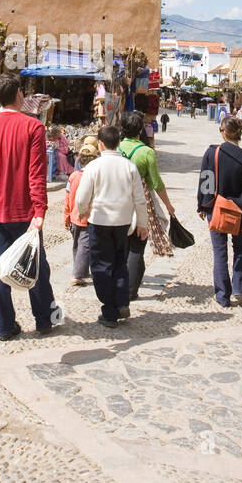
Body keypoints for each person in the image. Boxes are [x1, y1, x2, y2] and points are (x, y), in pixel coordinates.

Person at [0, 72, 58, 341]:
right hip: (26, 213)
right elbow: (36, 174)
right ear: (19, 95)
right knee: (36, 267)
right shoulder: (33, 128)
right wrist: (39, 211)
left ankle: (4, 327)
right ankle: (44, 320)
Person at [75, 125, 149, 327]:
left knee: (100, 266)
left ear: (100, 144)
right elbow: (139, 199)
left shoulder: (93, 167)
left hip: (99, 222)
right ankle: (122, 301)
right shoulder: (129, 167)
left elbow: (82, 197)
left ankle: (109, 311)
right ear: (118, 142)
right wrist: (143, 224)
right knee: (119, 263)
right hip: (123, 223)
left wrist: (81, 210)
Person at [197, 115, 242, 309]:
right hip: (238, 212)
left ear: (223, 132)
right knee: (240, 249)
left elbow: (206, 180)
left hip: (215, 208)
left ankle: (223, 295)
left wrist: (202, 205)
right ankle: (240, 287)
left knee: (219, 251)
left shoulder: (212, 152)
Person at [117, 111, 175, 300]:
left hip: (116, 201)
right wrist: (168, 205)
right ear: (140, 129)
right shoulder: (146, 151)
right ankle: (130, 291)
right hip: (140, 203)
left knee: (122, 245)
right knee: (137, 245)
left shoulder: (115, 147)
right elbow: (156, 183)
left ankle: (119, 284)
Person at [64, 136, 100, 286]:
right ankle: (77, 274)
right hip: (87, 217)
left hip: (73, 216)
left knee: (77, 245)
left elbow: (67, 198)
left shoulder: (73, 176)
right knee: (85, 245)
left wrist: (66, 216)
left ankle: (81, 269)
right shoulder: (94, 177)